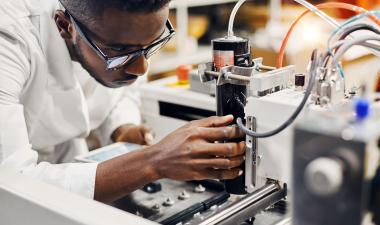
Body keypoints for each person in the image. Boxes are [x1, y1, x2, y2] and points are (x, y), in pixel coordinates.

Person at [0, 0, 245, 203]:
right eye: (121, 52)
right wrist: (154, 162)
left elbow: (122, 94)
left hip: (70, 172)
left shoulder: (123, 32)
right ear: (64, 26)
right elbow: (11, 184)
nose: (142, 68)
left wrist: (122, 128)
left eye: (151, 45)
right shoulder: (9, 37)